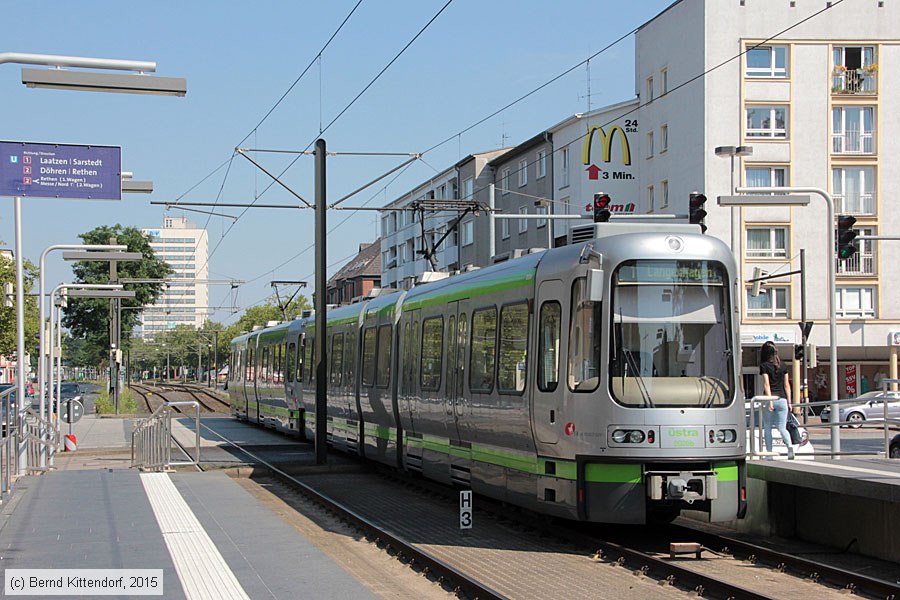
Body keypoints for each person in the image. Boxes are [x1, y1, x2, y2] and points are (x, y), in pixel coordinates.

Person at [760, 342, 794, 459]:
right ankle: (790, 447)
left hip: (770, 398)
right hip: (783, 399)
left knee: (768, 427)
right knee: (782, 427)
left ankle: (769, 454)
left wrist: (769, 401)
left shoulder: (764, 366)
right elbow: (787, 385)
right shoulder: (783, 365)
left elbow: (766, 384)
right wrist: (790, 402)